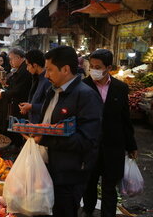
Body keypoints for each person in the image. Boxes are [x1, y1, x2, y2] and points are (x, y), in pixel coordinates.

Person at [33, 46, 102, 217]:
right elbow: (48, 123)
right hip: (46, 167)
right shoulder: (52, 91)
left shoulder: (86, 96)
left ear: (65, 69)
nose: (46, 75)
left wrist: (45, 139)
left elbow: (87, 141)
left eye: (49, 70)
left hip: (68, 175)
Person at [82, 49, 138, 217]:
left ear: (109, 68)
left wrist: (131, 145)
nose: (93, 70)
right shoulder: (83, 86)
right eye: (91, 66)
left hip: (113, 147)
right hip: (90, 146)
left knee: (109, 188)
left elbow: (125, 119)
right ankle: (88, 210)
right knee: (89, 185)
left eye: (98, 66)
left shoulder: (120, 88)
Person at [0, 48, 32, 147]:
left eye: (11, 59)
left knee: (18, 131)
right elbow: (15, 87)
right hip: (18, 105)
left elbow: (18, 91)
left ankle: (16, 147)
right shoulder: (20, 69)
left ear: (18, 58)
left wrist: (2, 94)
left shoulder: (24, 71)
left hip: (22, 106)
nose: (10, 62)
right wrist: (5, 84)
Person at [18, 49, 51, 124]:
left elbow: (50, 106)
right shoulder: (36, 78)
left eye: (28, 65)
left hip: (42, 125)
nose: (27, 68)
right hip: (34, 123)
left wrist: (31, 107)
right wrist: (29, 106)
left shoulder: (47, 81)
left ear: (35, 65)